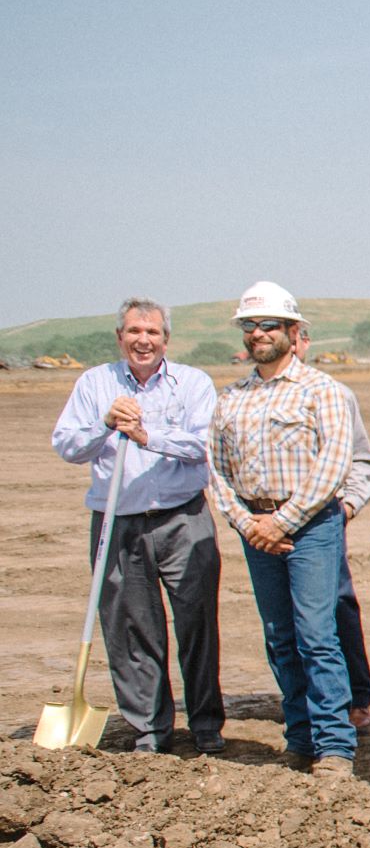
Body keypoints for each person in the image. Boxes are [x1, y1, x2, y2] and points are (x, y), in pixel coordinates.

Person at [49, 296, 225, 755]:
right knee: (130, 629)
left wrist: (147, 435)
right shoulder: (95, 384)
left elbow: (205, 445)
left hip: (183, 518)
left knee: (197, 624)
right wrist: (106, 425)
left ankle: (206, 724)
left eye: (152, 333)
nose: (142, 341)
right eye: (134, 332)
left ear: (166, 339)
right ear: (120, 337)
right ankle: (149, 730)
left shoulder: (193, 383)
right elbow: (67, 444)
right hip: (117, 521)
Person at [207, 281, 360, 775]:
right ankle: (300, 738)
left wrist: (283, 521)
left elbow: (334, 464)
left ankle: (335, 745)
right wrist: (248, 523)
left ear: (294, 332)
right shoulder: (230, 398)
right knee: (279, 636)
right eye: (250, 326)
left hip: (310, 527)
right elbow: (215, 469)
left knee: (317, 634)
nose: (258, 334)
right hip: (256, 528)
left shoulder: (324, 391)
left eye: (268, 325)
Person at [296, 321, 370, 732]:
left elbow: (362, 458)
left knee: (337, 607)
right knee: (287, 623)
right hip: (268, 527)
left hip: (322, 522)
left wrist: (347, 505)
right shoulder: (247, 396)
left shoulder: (333, 394)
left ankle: (356, 697)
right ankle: (304, 708)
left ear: (303, 342)